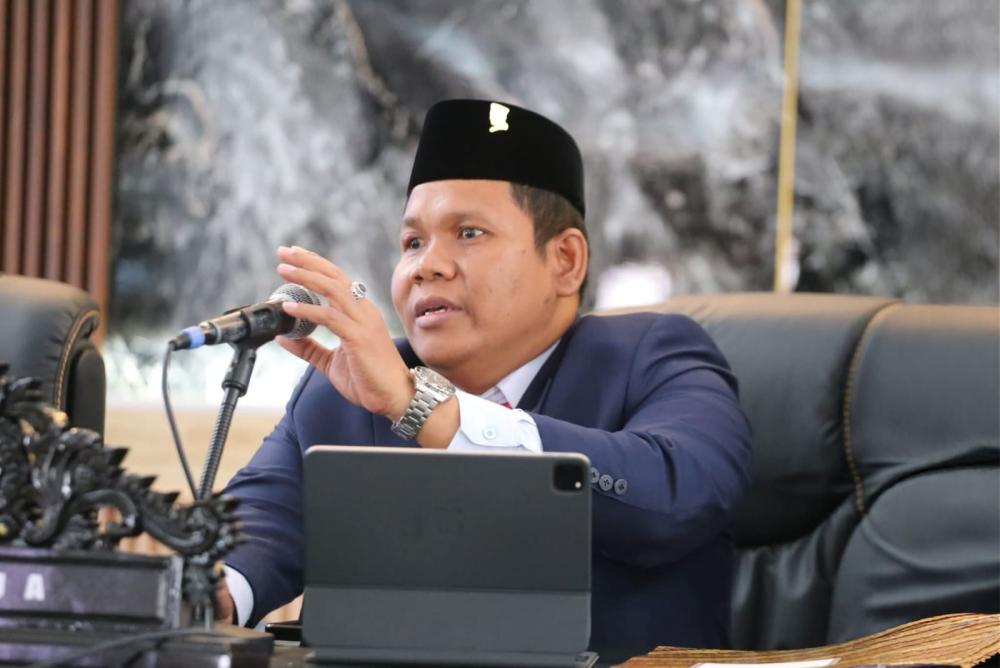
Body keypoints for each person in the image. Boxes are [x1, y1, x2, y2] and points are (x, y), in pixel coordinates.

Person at [217, 99, 752, 657]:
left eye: (469, 233)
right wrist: (211, 592)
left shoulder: (651, 356)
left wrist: (424, 410)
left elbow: (677, 495)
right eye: (413, 242)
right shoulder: (343, 390)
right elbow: (255, 532)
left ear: (566, 260)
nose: (426, 265)